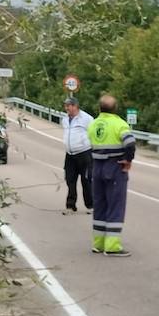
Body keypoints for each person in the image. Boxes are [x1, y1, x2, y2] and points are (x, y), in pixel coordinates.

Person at [87, 94, 137, 256]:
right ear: (115, 108)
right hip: (114, 167)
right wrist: (128, 160)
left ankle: (98, 243)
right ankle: (112, 246)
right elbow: (130, 143)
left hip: (97, 167)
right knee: (115, 205)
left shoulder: (93, 124)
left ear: (99, 108)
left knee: (100, 205)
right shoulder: (119, 124)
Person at [60, 96, 94, 214]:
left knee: (86, 180)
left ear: (75, 106)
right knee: (70, 180)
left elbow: (93, 134)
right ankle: (70, 205)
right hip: (70, 154)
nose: (67, 108)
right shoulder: (64, 119)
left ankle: (91, 205)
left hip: (84, 153)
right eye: (66, 106)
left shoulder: (86, 119)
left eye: (69, 105)